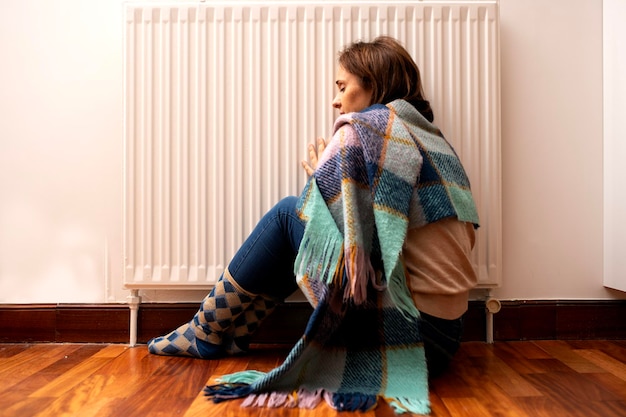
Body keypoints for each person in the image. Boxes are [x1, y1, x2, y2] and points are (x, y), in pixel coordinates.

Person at [148, 35, 479, 382]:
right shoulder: (435, 143)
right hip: (445, 342)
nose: (335, 101)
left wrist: (326, 177)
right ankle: (236, 332)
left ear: (372, 84)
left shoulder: (365, 128)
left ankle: (204, 330)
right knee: (298, 224)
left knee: (288, 213)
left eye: (342, 86)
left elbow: (342, 239)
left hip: (402, 339)